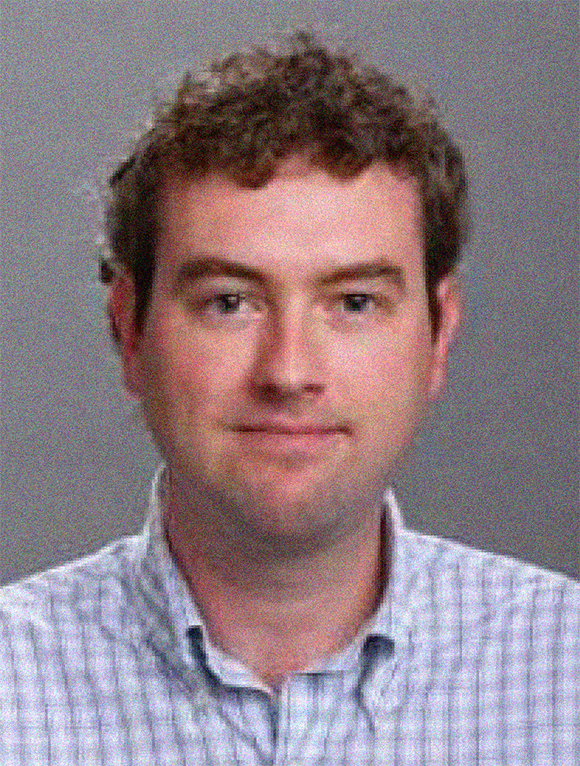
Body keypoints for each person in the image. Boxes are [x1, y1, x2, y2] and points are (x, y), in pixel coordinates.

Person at [1, 31, 578, 766]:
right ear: (129, 331)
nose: (288, 371)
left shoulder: (564, 672)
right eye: (230, 302)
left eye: (356, 303)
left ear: (439, 337)